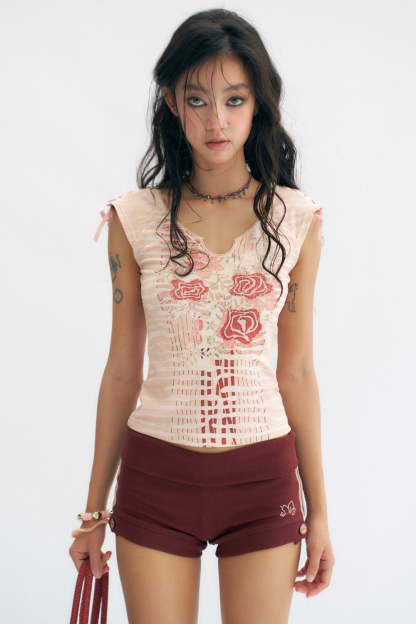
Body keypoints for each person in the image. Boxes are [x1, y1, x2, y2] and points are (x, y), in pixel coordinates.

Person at [69, 8, 335, 623]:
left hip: (264, 484)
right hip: (156, 481)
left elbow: (297, 372)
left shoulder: (296, 221)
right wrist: (92, 513)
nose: (216, 120)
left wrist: (319, 511)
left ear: (258, 103)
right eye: (197, 100)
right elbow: (121, 370)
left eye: (234, 99)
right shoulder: (133, 219)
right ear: (171, 101)